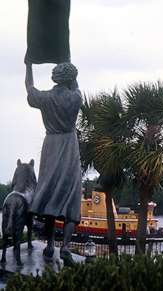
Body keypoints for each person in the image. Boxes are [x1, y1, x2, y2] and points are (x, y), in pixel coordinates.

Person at [25, 62, 82, 265]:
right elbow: (75, 85)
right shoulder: (76, 97)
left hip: (51, 145)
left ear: (54, 78)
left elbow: (29, 89)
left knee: (50, 196)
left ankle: (50, 244)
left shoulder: (45, 98)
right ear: (71, 79)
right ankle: (65, 246)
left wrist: (28, 66)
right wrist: (68, 64)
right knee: (71, 197)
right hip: (69, 146)